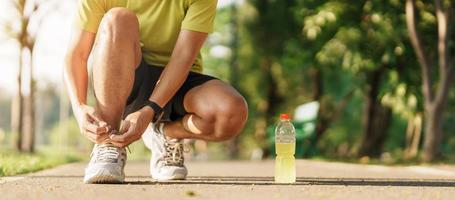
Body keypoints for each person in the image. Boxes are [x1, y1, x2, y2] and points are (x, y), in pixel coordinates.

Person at [64, 0, 248, 184]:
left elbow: (183, 57)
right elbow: (77, 54)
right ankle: (108, 144)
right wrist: (79, 107)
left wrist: (151, 108)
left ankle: (166, 132)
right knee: (118, 17)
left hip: (177, 78)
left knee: (231, 112)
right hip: (126, 77)